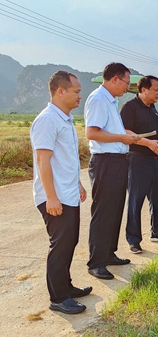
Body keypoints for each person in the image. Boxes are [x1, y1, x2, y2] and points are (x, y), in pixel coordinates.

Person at [30, 71, 90, 314]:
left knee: (70, 242)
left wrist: (77, 184)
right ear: (60, 91)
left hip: (68, 192)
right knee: (61, 245)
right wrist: (51, 197)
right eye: (76, 91)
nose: (79, 96)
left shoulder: (64, 119)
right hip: (54, 196)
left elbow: (65, 160)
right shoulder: (47, 120)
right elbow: (43, 161)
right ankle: (58, 298)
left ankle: (66, 286)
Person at [84, 62, 139, 280]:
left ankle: (108, 253)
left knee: (115, 210)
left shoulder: (111, 101)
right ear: (115, 79)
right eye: (126, 82)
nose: (127, 87)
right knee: (104, 212)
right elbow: (92, 133)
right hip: (105, 162)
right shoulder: (98, 99)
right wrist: (122, 138)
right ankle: (96, 262)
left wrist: (127, 136)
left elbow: (110, 130)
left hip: (117, 161)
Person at [120, 76, 158, 253]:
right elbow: (125, 131)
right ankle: (133, 239)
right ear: (143, 90)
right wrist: (147, 143)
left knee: (157, 198)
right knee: (135, 200)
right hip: (138, 159)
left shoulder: (153, 109)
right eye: (155, 90)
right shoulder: (130, 107)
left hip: (157, 160)